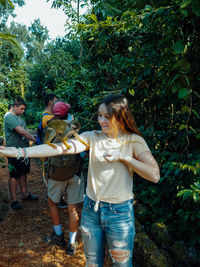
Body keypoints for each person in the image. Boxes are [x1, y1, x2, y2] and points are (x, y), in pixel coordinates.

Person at [0, 94, 160, 266]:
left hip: (119, 213)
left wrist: (125, 157)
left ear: (121, 116)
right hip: (92, 210)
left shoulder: (134, 141)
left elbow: (154, 175)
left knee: (121, 264)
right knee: (91, 262)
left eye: (107, 117)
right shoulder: (93, 136)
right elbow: (59, 149)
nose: (101, 121)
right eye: (99, 115)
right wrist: (19, 152)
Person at [43, 101, 85, 256]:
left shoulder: (51, 125)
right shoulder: (74, 126)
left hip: (56, 173)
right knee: (72, 208)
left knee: (52, 202)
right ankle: (72, 244)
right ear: (68, 113)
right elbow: (82, 151)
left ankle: (58, 235)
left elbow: (44, 147)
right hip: (74, 172)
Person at [3, 97, 38, 211]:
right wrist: (35, 139)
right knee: (14, 176)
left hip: (23, 151)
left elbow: (25, 131)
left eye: (24, 109)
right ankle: (14, 200)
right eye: (22, 109)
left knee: (23, 173)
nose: (23, 111)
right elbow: (21, 131)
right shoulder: (9, 117)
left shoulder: (19, 117)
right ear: (15, 107)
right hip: (14, 152)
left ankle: (25, 194)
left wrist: (34, 135)